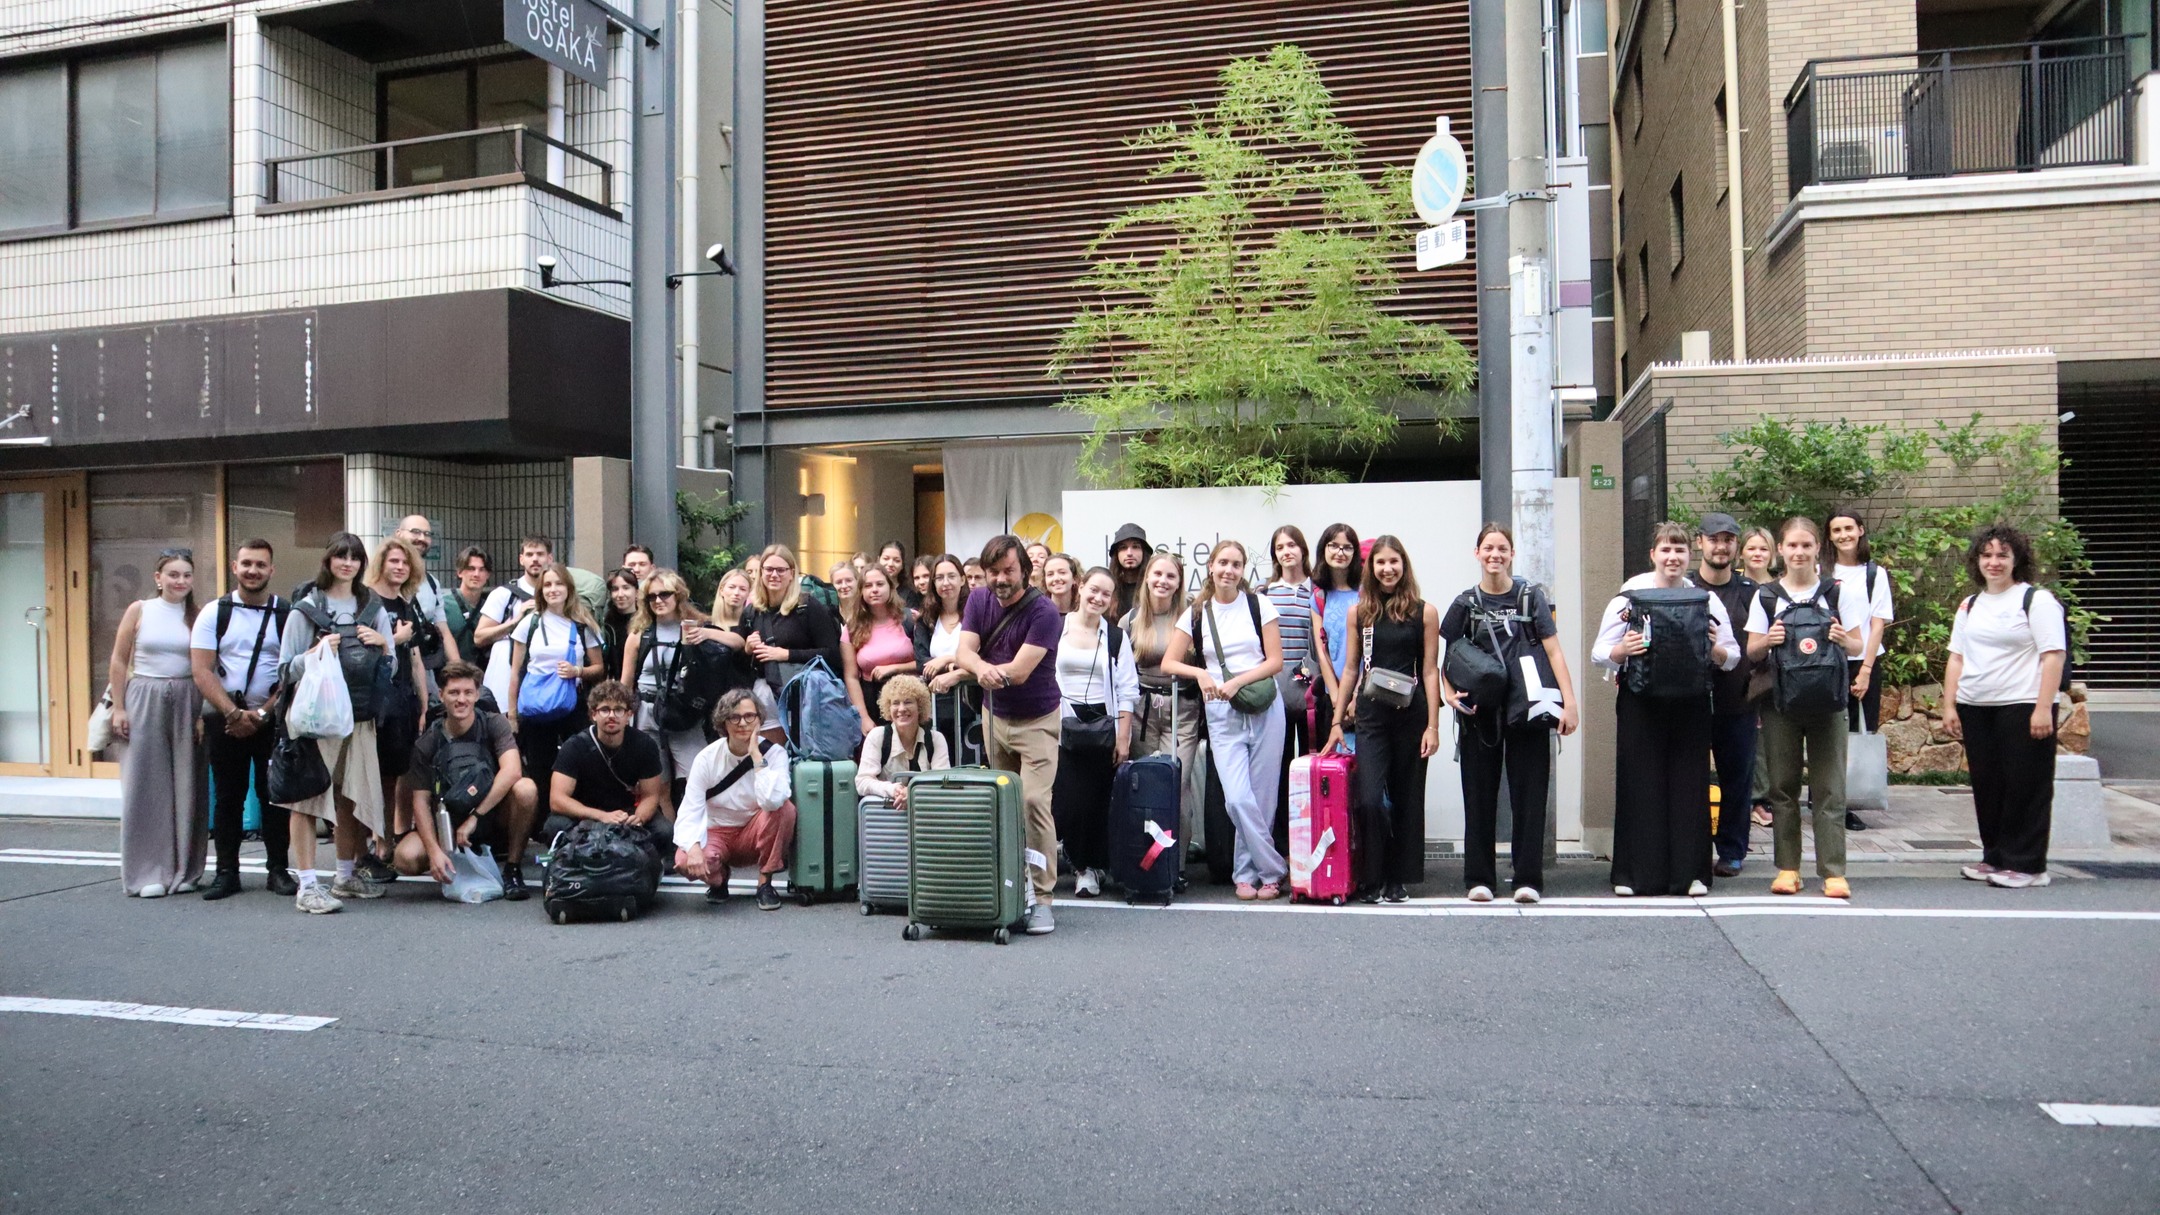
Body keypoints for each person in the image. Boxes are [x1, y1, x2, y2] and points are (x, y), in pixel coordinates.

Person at [1595, 522, 1741, 898]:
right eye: (1665, 550)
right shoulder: (1629, 597)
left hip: (1691, 702)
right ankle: (1633, 875)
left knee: (1689, 785)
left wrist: (1713, 649)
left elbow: (1732, 657)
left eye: (1679, 551)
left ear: (1689, 556)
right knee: (1639, 783)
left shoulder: (1705, 600)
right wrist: (1623, 650)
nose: (1672, 558)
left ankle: (1690, 875)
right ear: (1653, 555)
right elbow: (1600, 653)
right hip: (1640, 700)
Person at [1438, 524, 1579, 904]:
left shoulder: (1531, 598)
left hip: (1528, 708)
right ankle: (1479, 879)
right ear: (1477, 553)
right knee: (1478, 796)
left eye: (1502, 548)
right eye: (1488, 548)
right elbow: (1447, 656)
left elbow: (1554, 651)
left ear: (1512, 554)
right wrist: (1448, 693)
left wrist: (1569, 703)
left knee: (1530, 797)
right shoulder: (1465, 602)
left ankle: (1527, 879)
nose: (1495, 555)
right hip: (1479, 711)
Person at [1744, 516, 1869, 899]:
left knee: (1830, 789)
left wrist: (1842, 638)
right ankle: (1788, 869)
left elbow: (1859, 645)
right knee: (1782, 788)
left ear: (1817, 549)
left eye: (1806, 545)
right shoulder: (1766, 596)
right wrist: (1769, 640)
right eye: (1793, 546)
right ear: (1781, 550)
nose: (1799, 552)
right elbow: (1751, 651)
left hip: (1829, 703)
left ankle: (1833, 872)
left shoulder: (1837, 593)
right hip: (1780, 703)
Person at [274, 533, 398, 913]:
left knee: (349, 795)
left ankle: (345, 876)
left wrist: (383, 644)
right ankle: (308, 885)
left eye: (355, 557)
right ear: (328, 560)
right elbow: (284, 670)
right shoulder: (306, 608)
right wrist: (314, 654)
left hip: (358, 717)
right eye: (340, 556)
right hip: (316, 719)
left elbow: (391, 666)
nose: (347, 563)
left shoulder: (372, 607)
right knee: (307, 799)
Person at [1943, 524, 2068, 890]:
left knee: (2025, 785)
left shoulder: (2036, 600)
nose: (1993, 562)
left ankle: (2028, 865)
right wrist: (1950, 705)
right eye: (1986, 555)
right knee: (1989, 785)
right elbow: (1956, 657)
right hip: (1976, 705)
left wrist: (2043, 707)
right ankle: (1995, 856)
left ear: (2017, 560)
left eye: (2002, 555)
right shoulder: (1971, 604)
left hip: (2023, 704)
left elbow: (2053, 655)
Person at [1163, 540, 1289, 901]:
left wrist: (1238, 681)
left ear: (1242, 570)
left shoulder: (1258, 605)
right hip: (1221, 713)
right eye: (1223, 563)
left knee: (1262, 800)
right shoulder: (1196, 614)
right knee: (1236, 799)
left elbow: (1275, 661)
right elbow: (1170, 662)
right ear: (1211, 567)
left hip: (1264, 706)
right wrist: (1201, 674)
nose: (1228, 570)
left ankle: (1247, 875)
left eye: (1236, 564)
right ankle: (1274, 868)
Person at [955, 534, 1065, 935]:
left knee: (1033, 801)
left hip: (1037, 720)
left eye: (1008, 571)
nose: (1000, 579)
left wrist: (974, 670)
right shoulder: (977, 599)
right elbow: (964, 650)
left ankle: (1044, 898)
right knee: (1004, 804)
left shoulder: (1045, 612)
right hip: (994, 716)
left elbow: (1018, 672)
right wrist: (976, 668)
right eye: (993, 571)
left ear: (1026, 571)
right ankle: (1011, 889)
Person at [1324, 536, 1440, 903]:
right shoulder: (1360, 613)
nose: (1387, 569)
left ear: (1404, 565)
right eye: (1380, 563)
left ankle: (1397, 878)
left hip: (1412, 715)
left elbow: (1431, 671)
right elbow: (1350, 669)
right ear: (1370, 568)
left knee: (1407, 800)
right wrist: (1337, 722)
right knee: (1370, 799)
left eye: (1394, 562)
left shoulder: (1424, 612)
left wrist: (1433, 726)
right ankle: (1371, 876)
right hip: (1372, 716)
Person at [192, 540, 294, 900]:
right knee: (227, 797)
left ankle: (278, 870)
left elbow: (293, 671)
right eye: (247, 563)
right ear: (234, 567)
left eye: (261, 565)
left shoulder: (286, 613)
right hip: (225, 719)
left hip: (272, 720)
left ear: (272, 570)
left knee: (274, 797)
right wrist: (233, 713)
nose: (253, 571)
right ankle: (226, 873)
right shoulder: (214, 612)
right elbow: (201, 670)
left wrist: (264, 712)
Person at [109, 548, 208, 899]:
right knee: (144, 785)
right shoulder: (139, 610)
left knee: (188, 784)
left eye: (186, 575)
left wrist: (202, 713)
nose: (180, 581)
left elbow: (207, 668)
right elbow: (119, 661)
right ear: (158, 578)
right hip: (143, 696)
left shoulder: (198, 615)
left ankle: (186, 870)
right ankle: (146, 871)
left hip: (187, 697)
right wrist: (119, 708)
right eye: (173, 574)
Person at [394, 661, 540, 899]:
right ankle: (448, 860)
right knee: (405, 858)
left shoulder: (494, 723)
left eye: (468, 692)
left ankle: (512, 868)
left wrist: (475, 817)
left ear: (477, 695)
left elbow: (513, 771)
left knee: (526, 788)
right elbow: (420, 802)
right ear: (441, 695)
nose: (461, 700)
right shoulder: (428, 742)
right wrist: (433, 851)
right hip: (449, 822)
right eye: (454, 693)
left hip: (490, 815)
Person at [1052, 567, 1140, 898]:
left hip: (1103, 728)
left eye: (1106, 593)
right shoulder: (1056, 627)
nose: (1098, 598)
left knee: (1096, 803)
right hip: (1062, 726)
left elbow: (1128, 689)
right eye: (1093, 590)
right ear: (1080, 588)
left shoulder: (1116, 637)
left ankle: (1087, 869)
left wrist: (1123, 738)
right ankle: (1073, 859)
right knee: (1068, 802)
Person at [675, 688, 796, 909]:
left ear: (759, 719)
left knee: (784, 808)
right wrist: (693, 848)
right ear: (724, 722)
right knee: (684, 861)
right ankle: (719, 879)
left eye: (749, 716)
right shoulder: (706, 758)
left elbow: (773, 801)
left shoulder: (775, 754)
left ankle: (765, 882)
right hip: (716, 832)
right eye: (735, 717)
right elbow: (690, 807)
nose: (743, 723)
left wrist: (757, 757)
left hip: (755, 832)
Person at [506, 562, 605, 821]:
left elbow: (599, 668)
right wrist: (513, 714)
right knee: (540, 766)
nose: (553, 589)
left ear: (569, 588)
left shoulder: (583, 625)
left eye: (559, 584)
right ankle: (542, 825)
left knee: (579, 761)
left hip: (573, 704)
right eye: (547, 585)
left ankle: (579, 819)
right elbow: (515, 672)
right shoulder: (530, 623)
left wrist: (577, 671)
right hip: (536, 707)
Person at [1693, 513, 1760, 877]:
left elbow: (1761, 649)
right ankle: (1693, 849)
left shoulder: (1751, 593)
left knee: (1737, 780)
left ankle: (1732, 851)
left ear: (1736, 546)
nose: (1721, 547)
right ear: (1699, 543)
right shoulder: (1684, 587)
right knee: (1691, 780)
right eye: (1714, 539)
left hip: (1738, 702)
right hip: (1689, 703)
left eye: (1728, 540)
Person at [1123, 550, 1201, 858]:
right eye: (1157, 574)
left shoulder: (1192, 617)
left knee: (1177, 783)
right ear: (1147, 578)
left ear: (1179, 582)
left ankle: (1175, 864)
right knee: (1144, 783)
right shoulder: (1131, 619)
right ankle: (1145, 862)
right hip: (1142, 711)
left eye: (1171, 576)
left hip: (1182, 708)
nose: (1163, 581)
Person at [620, 567, 715, 805]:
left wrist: (706, 634)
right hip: (646, 711)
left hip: (683, 711)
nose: (658, 600)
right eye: (651, 596)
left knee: (699, 779)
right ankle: (668, 828)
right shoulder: (639, 634)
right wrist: (622, 719)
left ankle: (692, 826)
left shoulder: (696, 627)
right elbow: (626, 683)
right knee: (657, 785)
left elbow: (735, 643)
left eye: (664, 594)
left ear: (678, 595)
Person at [364, 537, 431, 871]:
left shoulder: (406, 603)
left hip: (403, 699)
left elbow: (415, 657)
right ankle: (373, 844)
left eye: (405, 563)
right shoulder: (367, 601)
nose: (400, 567)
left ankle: (386, 841)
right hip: (374, 700)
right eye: (394, 561)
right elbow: (361, 650)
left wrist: (423, 702)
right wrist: (395, 639)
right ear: (381, 563)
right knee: (371, 776)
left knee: (394, 773)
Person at [1266, 524, 1334, 849]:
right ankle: (1282, 844)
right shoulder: (1264, 593)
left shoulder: (1318, 592)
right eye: (1280, 547)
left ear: (1303, 550)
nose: (1286, 552)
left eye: (1292, 545)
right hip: (1275, 694)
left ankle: (1313, 838)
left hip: (1312, 693)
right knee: (1279, 771)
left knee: (1311, 765)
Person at [1827, 508, 1894, 831]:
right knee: (1830, 731)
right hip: (1829, 660)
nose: (1844, 535)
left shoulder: (1874, 574)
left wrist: (1866, 669)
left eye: (1849, 528)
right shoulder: (1823, 571)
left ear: (1861, 530)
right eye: (1837, 530)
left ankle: (1849, 802)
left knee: (1857, 731)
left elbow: (1877, 623)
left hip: (1864, 660)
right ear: (1829, 537)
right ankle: (1825, 796)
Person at [551, 679, 670, 858]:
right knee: (554, 826)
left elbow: (651, 795)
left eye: (619, 710)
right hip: (586, 813)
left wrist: (638, 818)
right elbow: (557, 800)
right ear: (593, 714)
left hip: (626, 812)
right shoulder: (574, 746)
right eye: (605, 710)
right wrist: (601, 816)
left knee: (664, 831)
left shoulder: (645, 745)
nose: (612, 716)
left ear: (629, 715)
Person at [746, 544, 844, 703]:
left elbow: (831, 654)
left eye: (781, 570)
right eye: (769, 569)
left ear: (791, 574)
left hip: (806, 696)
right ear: (761, 572)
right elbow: (739, 666)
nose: (774, 575)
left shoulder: (808, 606)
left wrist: (787, 655)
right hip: (766, 698)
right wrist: (747, 649)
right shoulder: (752, 612)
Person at [473, 535, 553, 710]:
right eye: (529, 554)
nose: (535, 559)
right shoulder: (504, 594)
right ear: (521, 559)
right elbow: (479, 637)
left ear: (550, 558)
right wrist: (514, 623)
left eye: (540, 554)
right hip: (505, 674)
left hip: (544, 675)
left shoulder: (558, 594)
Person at [916, 554, 981, 765]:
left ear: (962, 579)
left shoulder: (977, 613)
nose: (946, 583)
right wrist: (955, 665)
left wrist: (946, 660)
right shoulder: (926, 618)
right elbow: (922, 662)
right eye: (939, 577)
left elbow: (982, 656)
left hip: (972, 701)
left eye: (951, 576)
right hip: (938, 702)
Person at [856, 675, 953, 804]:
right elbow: (862, 782)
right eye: (895, 703)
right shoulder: (877, 736)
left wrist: (914, 792)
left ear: (919, 706)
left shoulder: (936, 740)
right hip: (886, 814)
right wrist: (892, 789)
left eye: (908, 702)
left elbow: (943, 782)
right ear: (888, 708)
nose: (901, 709)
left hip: (924, 813)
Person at [844, 564, 918, 733]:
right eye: (868, 586)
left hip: (910, 699)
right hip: (872, 702)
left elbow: (926, 662)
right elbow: (851, 677)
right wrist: (863, 717)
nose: (875, 590)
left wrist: (894, 668)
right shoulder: (852, 627)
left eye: (880, 584)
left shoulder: (910, 618)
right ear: (861, 591)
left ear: (890, 587)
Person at [1739, 524, 1778, 828]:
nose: (1757, 554)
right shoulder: (1734, 585)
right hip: (1736, 670)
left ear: (1773, 553)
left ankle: (1763, 798)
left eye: (1763, 548)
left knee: (1767, 738)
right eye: (1751, 548)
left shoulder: (1781, 588)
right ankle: (1748, 799)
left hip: (1770, 672)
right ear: (1741, 552)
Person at [1312, 523, 1363, 745]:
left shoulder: (1365, 594)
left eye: (1347, 547)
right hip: (1332, 697)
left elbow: (1371, 650)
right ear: (1323, 549)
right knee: (1336, 762)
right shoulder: (1319, 597)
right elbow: (1321, 651)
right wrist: (1336, 700)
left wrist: (1357, 696)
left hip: (1364, 694)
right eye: (1334, 545)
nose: (1340, 552)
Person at [392, 515, 458, 672]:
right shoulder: (381, 581)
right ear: (398, 534)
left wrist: (459, 670)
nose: (422, 538)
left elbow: (443, 630)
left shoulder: (432, 582)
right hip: (391, 666)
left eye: (427, 534)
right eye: (415, 532)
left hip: (424, 666)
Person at [441, 546, 493, 683]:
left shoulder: (492, 607)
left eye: (482, 569)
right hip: (446, 677)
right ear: (459, 572)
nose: (476, 574)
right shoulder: (443, 603)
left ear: (488, 575)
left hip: (481, 678)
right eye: (471, 568)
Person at [600, 567, 640, 682]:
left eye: (626, 588)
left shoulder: (645, 622)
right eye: (615, 589)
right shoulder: (606, 623)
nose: (620, 594)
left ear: (637, 592)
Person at [1109, 523, 1150, 621]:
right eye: (1123, 548)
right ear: (1117, 554)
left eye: (1135, 547)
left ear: (1143, 552)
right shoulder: (1108, 587)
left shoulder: (1153, 587)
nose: (1129, 553)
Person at [829, 559, 861, 624]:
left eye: (849, 580)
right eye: (839, 582)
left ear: (857, 581)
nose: (844, 586)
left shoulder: (866, 609)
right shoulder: (828, 611)